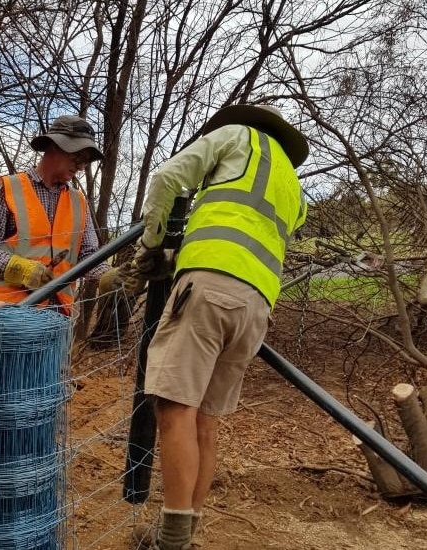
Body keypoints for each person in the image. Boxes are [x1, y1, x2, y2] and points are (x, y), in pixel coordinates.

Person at [131, 104, 309, 550]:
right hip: (257, 306)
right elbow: (246, 233)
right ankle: (186, 532)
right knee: (205, 422)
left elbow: (167, 179)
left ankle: (170, 541)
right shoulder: (293, 188)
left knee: (174, 410)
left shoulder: (234, 138)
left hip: (208, 288)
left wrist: (151, 247)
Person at [0, 115, 142, 316]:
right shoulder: (7, 188)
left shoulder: (79, 202)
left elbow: (86, 255)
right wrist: (19, 269)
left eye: (86, 161)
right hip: (8, 315)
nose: (82, 166)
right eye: (78, 157)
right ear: (54, 147)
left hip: (58, 317)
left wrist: (107, 276)